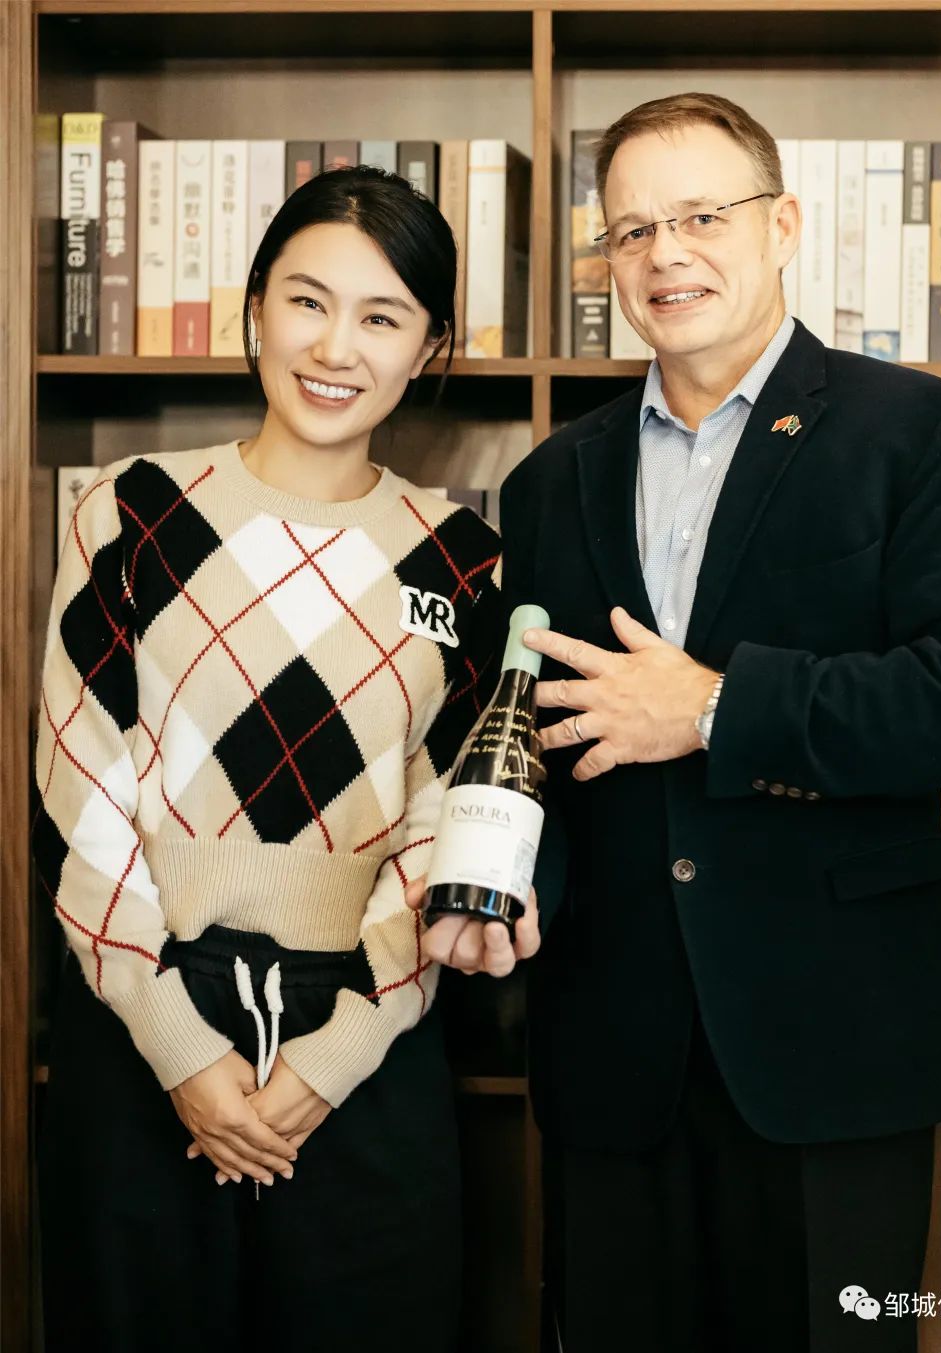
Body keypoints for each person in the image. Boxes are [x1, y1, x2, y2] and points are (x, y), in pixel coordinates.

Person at [432, 95, 941, 1352]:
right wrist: (510, 888)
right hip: (614, 1046)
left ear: (784, 227)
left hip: (840, 1038)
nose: (667, 253)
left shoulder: (917, 430)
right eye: (633, 231)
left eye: (704, 216)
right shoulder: (550, 480)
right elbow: (544, 734)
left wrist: (714, 705)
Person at [32, 163, 536, 1353]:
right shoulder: (131, 511)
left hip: (367, 1045)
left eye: (382, 317)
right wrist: (181, 1050)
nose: (335, 347)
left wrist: (336, 1055)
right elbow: (81, 789)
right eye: (307, 300)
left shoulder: (463, 560)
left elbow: (450, 823)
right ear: (254, 304)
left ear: (430, 348)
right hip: (140, 1021)